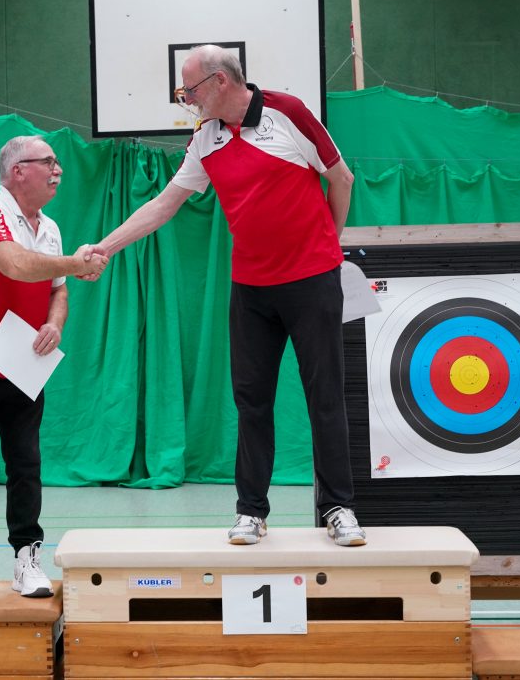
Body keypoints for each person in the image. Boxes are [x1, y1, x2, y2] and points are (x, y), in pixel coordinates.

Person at [88, 45, 366, 547]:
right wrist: (104, 247)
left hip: (312, 281)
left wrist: (329, 246)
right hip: (251, 289)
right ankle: (251, 511)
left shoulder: (288, 112)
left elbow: (340, 178)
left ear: (219, 81)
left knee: (324, 398)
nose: (185, 99)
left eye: (189, 89)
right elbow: (165, 204)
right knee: (251, 402)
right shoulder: (205, 138)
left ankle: (338, 508)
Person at [0, 135, 108, 602]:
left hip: (22, 363)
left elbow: (57, 289)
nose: (58, 169)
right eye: (48, 161)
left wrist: (55, 323)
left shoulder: (50, 228)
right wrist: (77, 263)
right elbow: (14, 264)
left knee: (26, 465)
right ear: (17, 171)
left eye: (58, 162)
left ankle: (26, 558)